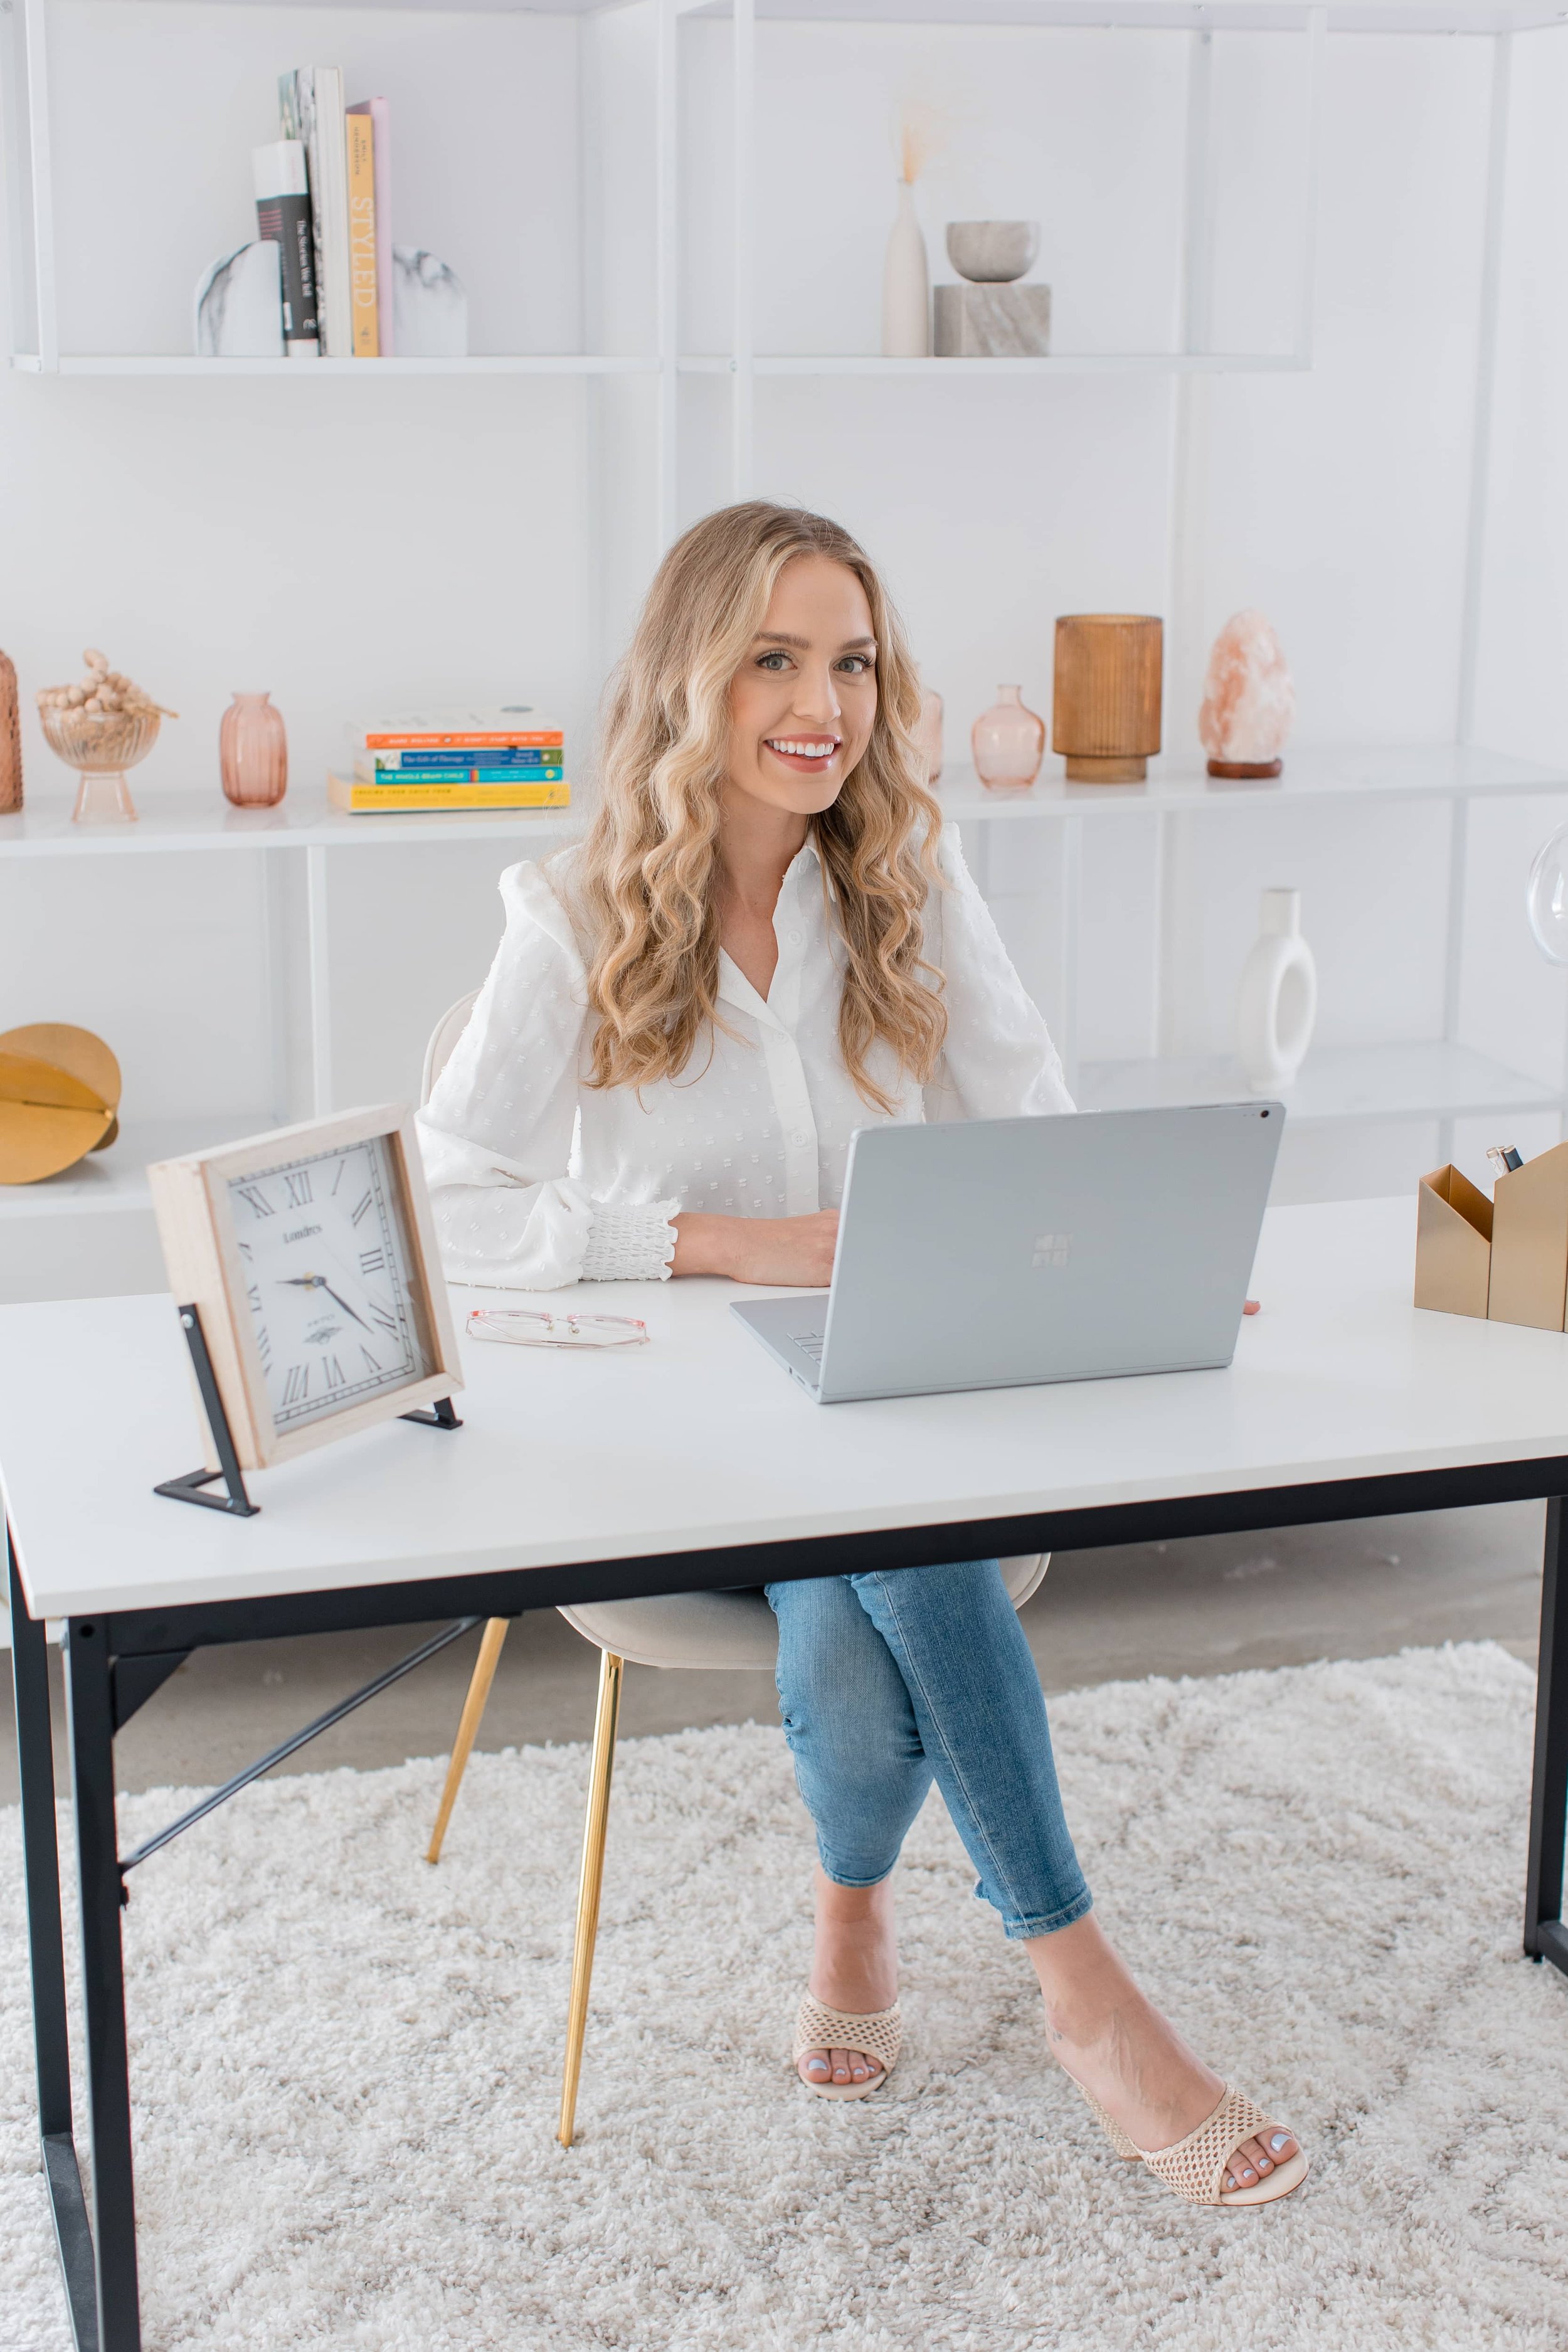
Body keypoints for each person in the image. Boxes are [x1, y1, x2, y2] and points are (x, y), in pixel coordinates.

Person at [418, 501, 1307, 2209]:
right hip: (677, 1457)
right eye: (771, 658)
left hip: (894, 1416)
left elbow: (1028, 1117)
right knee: (896, 1548)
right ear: (692, 679)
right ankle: (1086, 1994)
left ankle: (853, 1908)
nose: (819, 702)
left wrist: (1134, 1258)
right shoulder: (570, 916)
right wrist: (710, 1246)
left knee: (859, 1617)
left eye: (849, 660)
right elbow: (443, 1202)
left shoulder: (908, 880)